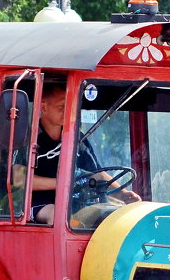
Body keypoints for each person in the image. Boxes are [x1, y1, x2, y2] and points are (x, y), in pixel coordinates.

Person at [31, 84, 140, 226]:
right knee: (56, 214)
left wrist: (123, 194)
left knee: (115, 213)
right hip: (39, 204)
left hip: (75, 202)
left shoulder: (76, 138)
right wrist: (64, 184)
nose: (67, 111)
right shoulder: (29, 139)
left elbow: (97, 174)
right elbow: (19, 180)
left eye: (70, 106)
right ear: (43, 107)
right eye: (61, 106)